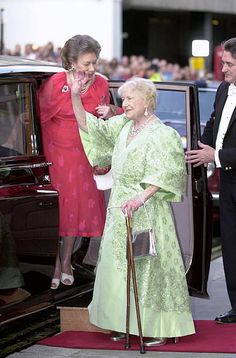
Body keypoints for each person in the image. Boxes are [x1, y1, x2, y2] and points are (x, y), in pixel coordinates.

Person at [70, 75, 195, 345]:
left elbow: (168, 171)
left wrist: (141, 197)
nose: (123, 103)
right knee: (117, 269)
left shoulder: (164, 133)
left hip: (147, 209)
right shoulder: (124, 126)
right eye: (123, 98)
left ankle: (158, 327)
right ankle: (125, 322)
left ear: (147, 101)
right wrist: (75, 97)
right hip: (119, 207)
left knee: (146, 267)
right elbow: (92, 129)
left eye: (129, 98)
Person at [39, 34, 122, 290]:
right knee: (59, 210)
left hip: (84, 156)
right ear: (72, 61)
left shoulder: (100, 84)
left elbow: (115, 115)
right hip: (56, 155)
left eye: (94, 62)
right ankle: (52, 263)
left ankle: (66, 262)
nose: (91, 68)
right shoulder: (54, 83)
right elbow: (35, 116)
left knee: (76, 209)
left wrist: (112, 111)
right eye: (86, 63)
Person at [186, 37, 236, 324]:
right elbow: (212, 125)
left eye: (229, 64)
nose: (223, 69)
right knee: (230, 246)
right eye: (222, 63)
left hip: (228, 169)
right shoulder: (222, 89)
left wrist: (215, 155)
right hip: (227, 183)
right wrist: (194, 150)